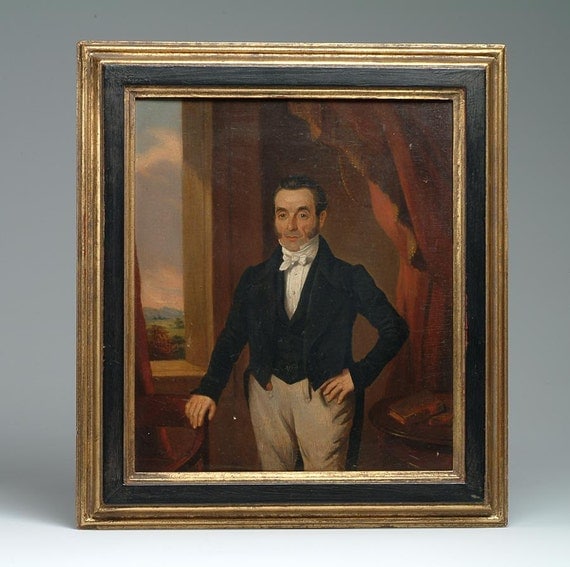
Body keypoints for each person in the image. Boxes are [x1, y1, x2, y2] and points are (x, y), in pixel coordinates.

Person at [185, 175, 408, 471]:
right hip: (267, 395)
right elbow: (231, 338)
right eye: (282, 215)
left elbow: (396, 329)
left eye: (302, 214)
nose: (290, 226)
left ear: (321, 218)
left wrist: (357, 375)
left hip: (324, 397)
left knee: (324, 484)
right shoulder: (254, 278)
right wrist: (208, 389)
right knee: (275, 482)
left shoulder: (348, 276)